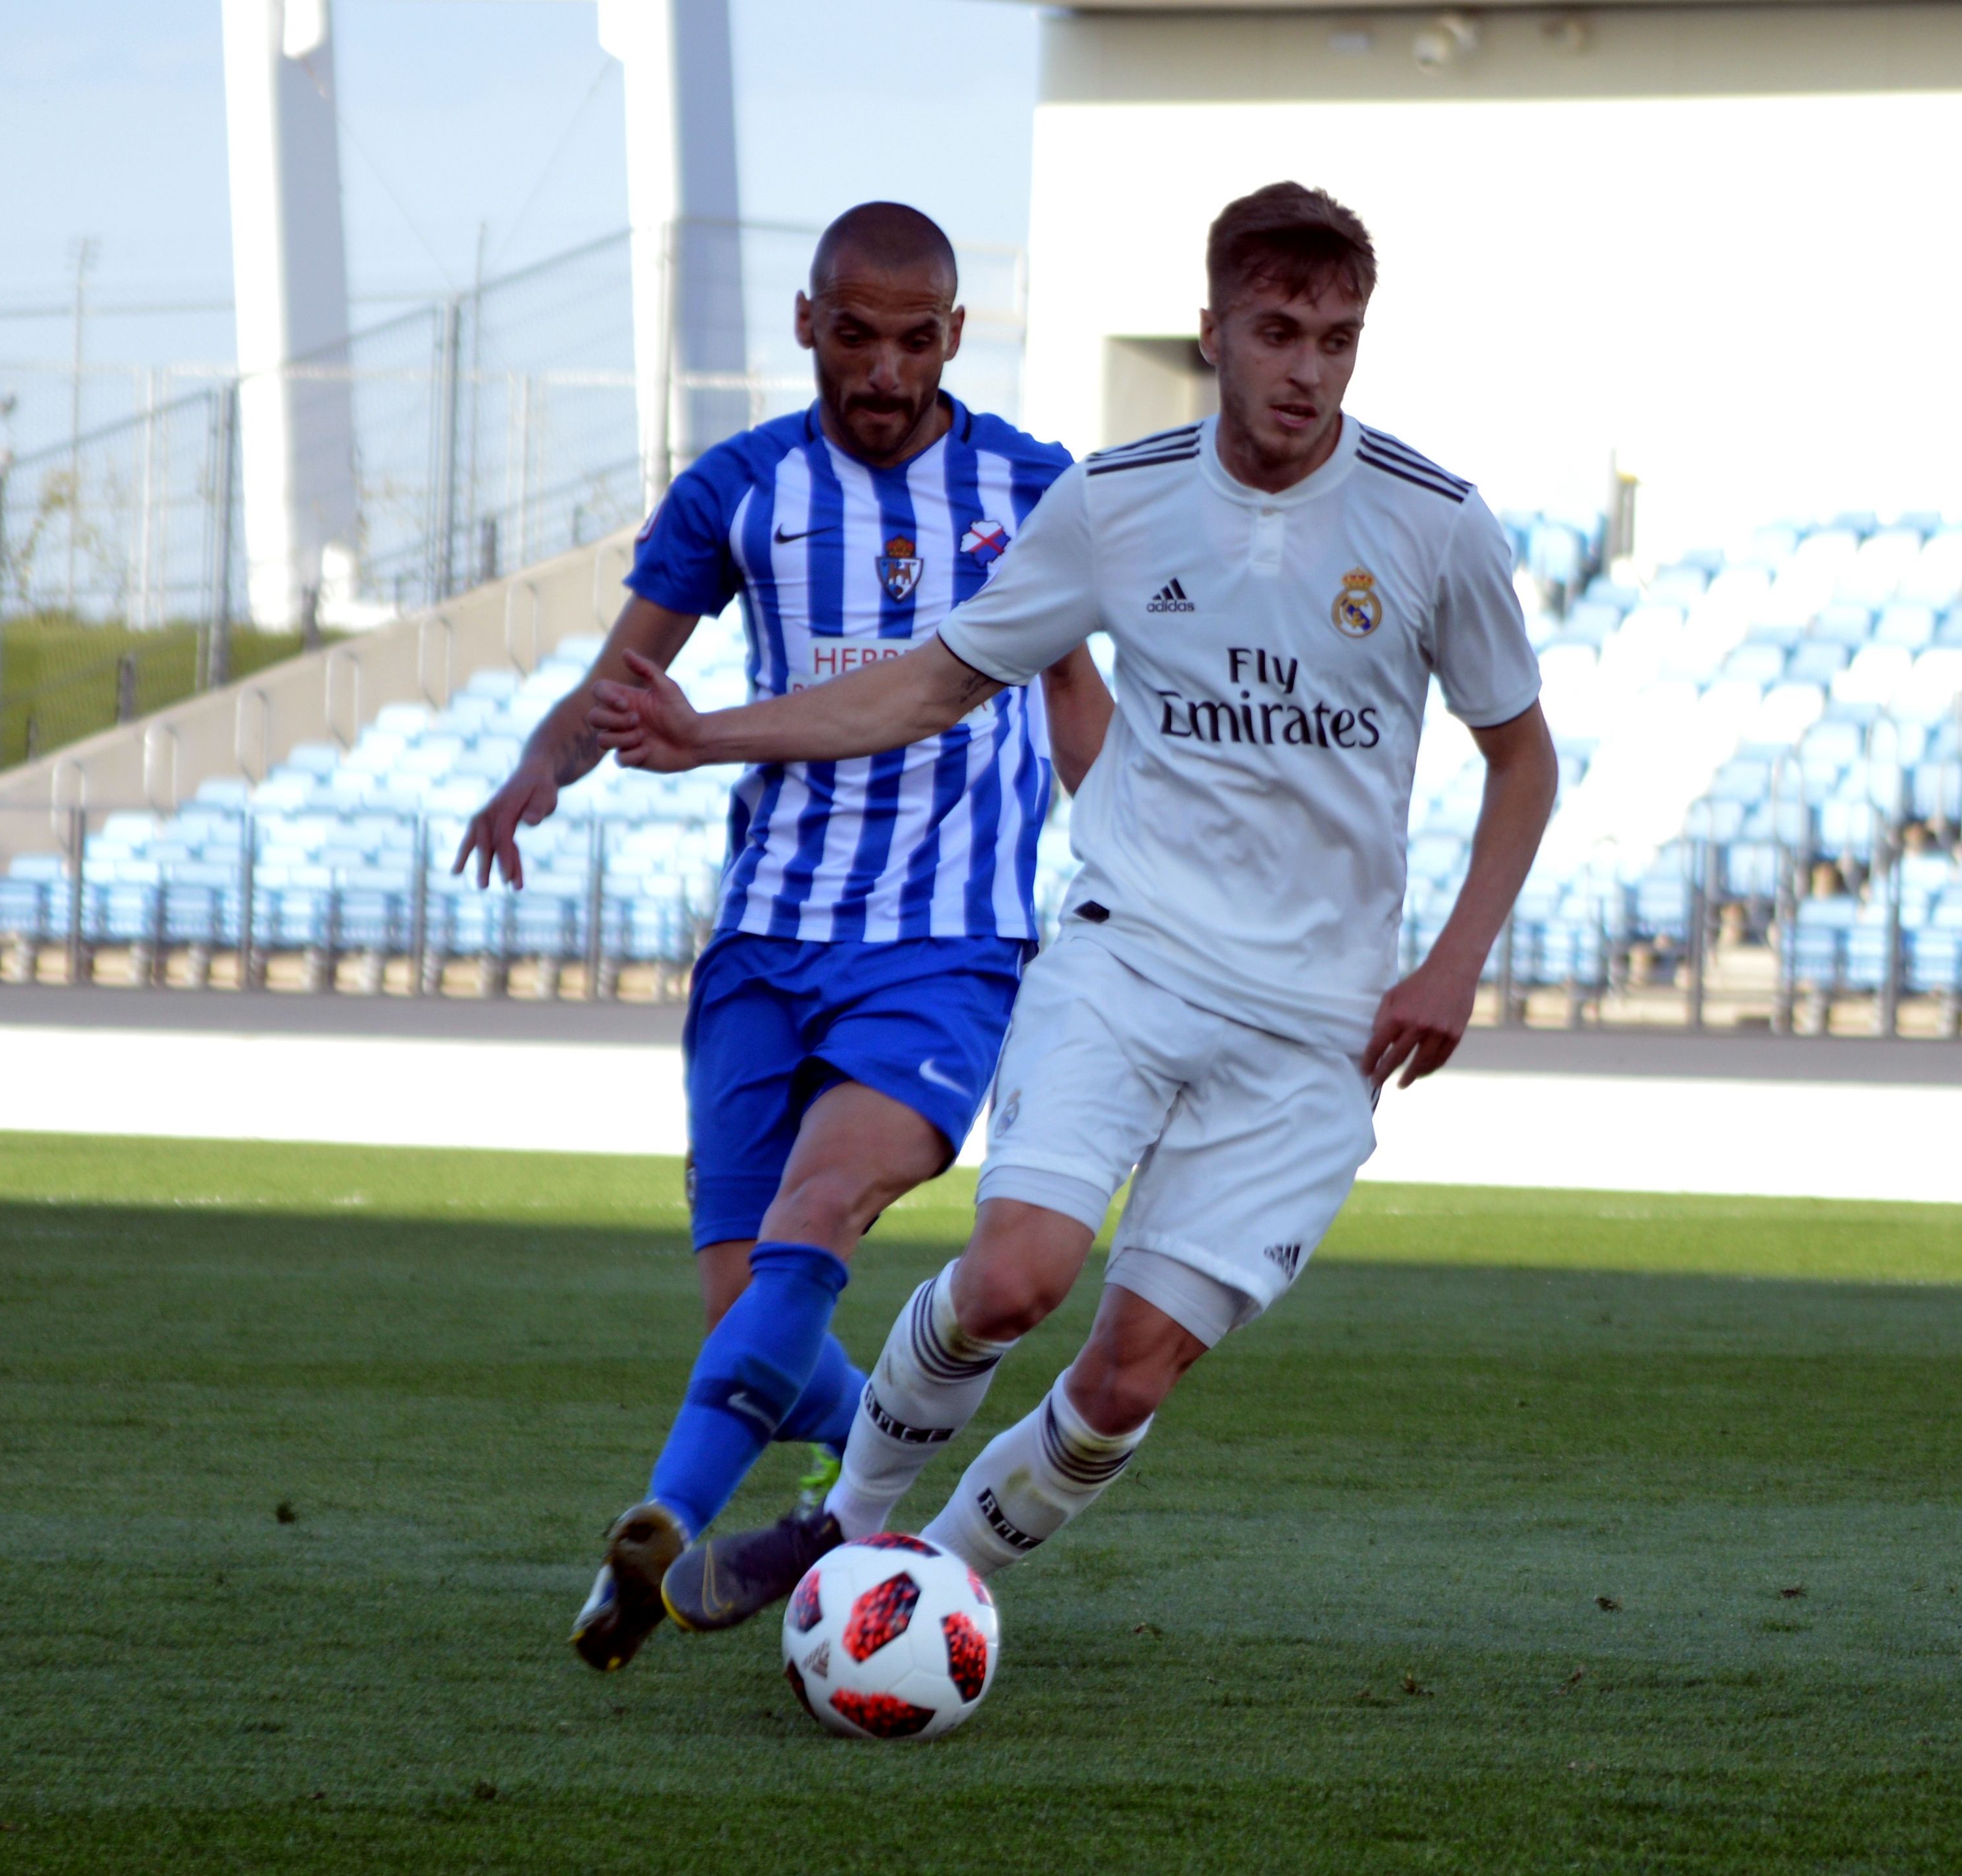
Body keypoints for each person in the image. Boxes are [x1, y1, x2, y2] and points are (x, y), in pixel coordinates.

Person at [587, 181, 1555, 1613]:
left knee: (1125, 1377)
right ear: (1212, 330)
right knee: (1011, 1277)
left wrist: (1455, 961)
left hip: (1318, 1023)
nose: (1307, 370)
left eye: (1336, 340)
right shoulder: (1113, 501)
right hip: (1130, 956)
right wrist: (709, 732)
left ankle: (916, 1587)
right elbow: (930, 682)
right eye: (1277, 333)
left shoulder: (1435, 524)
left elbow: (1522, 758)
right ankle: (842, 1520)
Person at [454, 201, 1112, 1673]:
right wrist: (538, 771)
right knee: (739, 1315)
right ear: (807, 322)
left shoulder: (1032, 487)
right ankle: (860, 1459)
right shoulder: (740, 488)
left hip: (944, 942)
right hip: (763, 938)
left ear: (954, 335)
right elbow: (623, 679)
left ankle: (658, 1537)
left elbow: (1074, 694)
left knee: (816, 1211)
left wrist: (1134, 849)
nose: (883, 370)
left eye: (915, 340)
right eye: (854, 335)